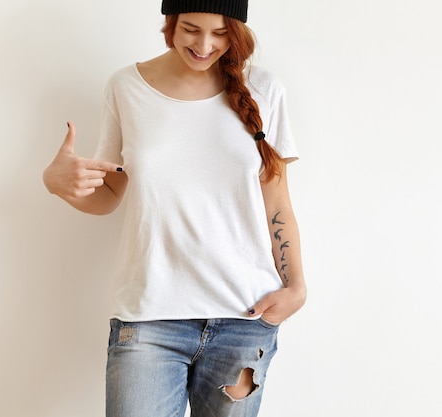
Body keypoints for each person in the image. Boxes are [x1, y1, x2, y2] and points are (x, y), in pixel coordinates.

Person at [42, 1, 307, 416]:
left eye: (220, 33)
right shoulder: (126, 87)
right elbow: (110, 195)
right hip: (148, 318)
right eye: (190, 29)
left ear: (236, 31)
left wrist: (296, 287)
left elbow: (277, 201)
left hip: (242, 315)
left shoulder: (264, 89)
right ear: (170, 23)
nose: (204, 45)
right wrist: (58, 185)